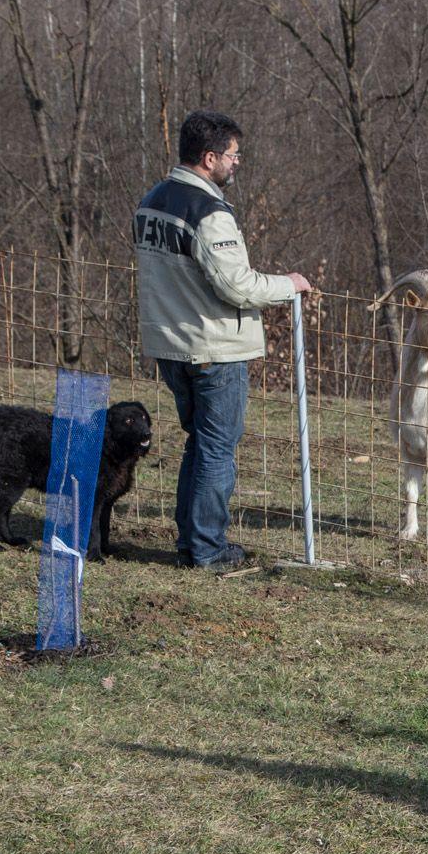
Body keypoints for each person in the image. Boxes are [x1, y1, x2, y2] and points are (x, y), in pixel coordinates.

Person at [133, 110, 311, 572]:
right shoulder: (208, 212)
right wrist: (289, 284)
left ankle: (191, 544)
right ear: (209, 158)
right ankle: (208, 550)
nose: (238, 163)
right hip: (213, 347)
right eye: (233, 155)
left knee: (200, 443)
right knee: (216, 449)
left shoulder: (152, 201)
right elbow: (237, 286)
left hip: (170, 343)